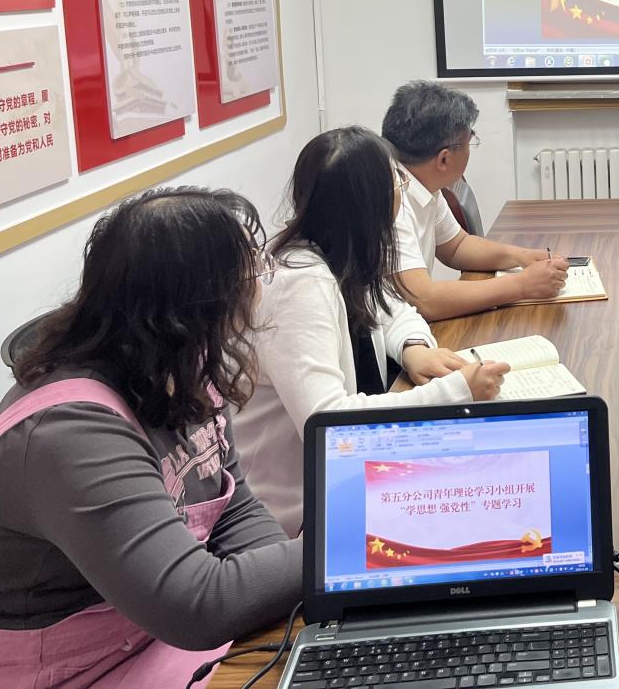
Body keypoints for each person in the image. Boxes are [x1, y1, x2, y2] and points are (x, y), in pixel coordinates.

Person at [0, 188, 300, 686]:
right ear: (194, 306)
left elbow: (232, 506)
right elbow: (196, 606)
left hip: (147, 632)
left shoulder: (183, 366)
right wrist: (342, 549)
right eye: (251, 272)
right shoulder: (68, 435)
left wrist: (288, 606)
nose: (260, 286)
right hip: (64, 671)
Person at [237, 126, 511, 535]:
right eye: (397, 181)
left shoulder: (335, 246)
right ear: (370, 203)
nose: (402, 189)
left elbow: (390, 306)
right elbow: (328, 424)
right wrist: (455, 392)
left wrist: (413, 346)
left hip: (350, 476)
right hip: (301, 516)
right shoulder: (299, 285)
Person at [382, 81, 568, 320]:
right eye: (470, 141)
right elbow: (425, 301)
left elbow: (456, 246)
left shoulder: (421, 180)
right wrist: (522, 285)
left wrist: (521, 256)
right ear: (444, 159)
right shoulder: (390, 200)